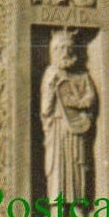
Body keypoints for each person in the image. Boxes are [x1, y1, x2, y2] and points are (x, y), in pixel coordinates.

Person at [40, 30, 98, 207]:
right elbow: (45, 108)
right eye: (60, 48)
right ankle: (57, 210)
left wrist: (77, 103)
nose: (65, 52)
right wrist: (51, 88)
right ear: (53, 51)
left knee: (78, 165)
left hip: (77, 127)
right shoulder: (51, 74)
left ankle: (78, 207)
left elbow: (91, 99)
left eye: (68, 48)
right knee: (58, 166)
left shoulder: (82, 76)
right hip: (57, 126)